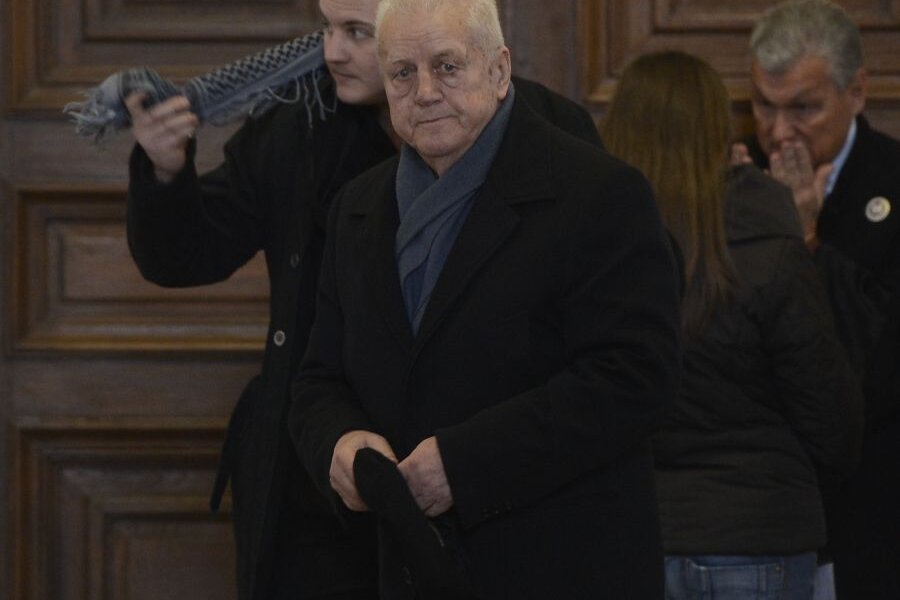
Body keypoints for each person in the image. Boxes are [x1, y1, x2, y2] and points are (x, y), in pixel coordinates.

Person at [123, 0, 603, 598]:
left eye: (355, 32)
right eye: (325, 27)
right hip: (321, 487)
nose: (330, 52)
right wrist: (166, 171)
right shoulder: (299, 125)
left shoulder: (546, 133)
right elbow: (187, 255)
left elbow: (606, 352)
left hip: (490, 498)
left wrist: (475, 458)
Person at [288, 0, 681, 598]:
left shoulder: (599, 193)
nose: (424, 92)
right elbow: (318, 380)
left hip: (562, 566)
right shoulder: (357, 208)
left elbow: (635, 379)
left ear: (499, 70)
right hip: (408, 570)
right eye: (402, 73)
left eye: (447, 66)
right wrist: (339, 445)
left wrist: (465, 465)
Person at [602, 50, 864, 600]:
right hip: (758, 532)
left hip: (632, 534)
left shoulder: (593, 249)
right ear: (719, 132)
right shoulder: (768, 239)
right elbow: (832, 419)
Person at [733, 1, 900, 596]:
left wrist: (803, 237)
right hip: (753, 509)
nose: (779, 131)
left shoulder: (892, 180)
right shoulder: (732, 178)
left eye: (803, 108)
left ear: (856, 92)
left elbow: (877, 360)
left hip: (872, 511)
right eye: (763, 105)